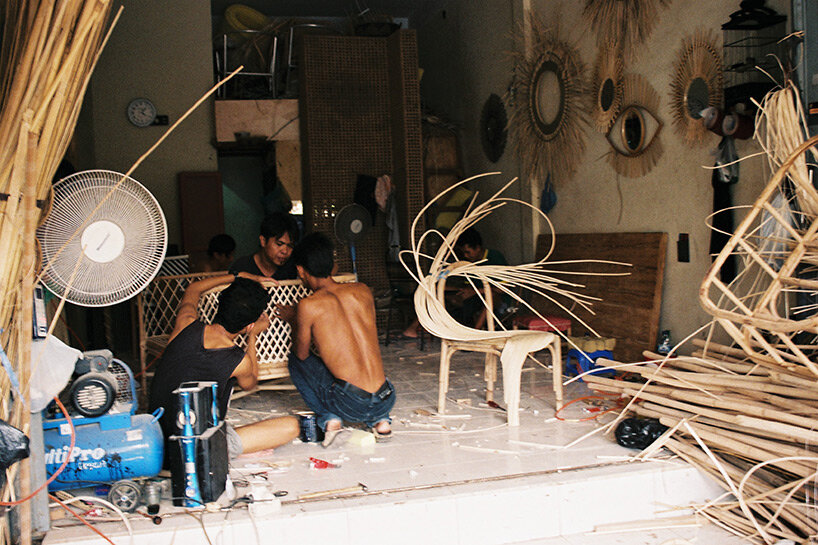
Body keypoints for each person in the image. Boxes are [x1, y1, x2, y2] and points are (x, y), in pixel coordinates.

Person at [148, 272, 299, 463]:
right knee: (292, 426)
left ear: (220, 305)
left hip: (153, 437)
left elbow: (194, 288)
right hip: (194, 451)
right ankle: (226, 451)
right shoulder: (238, 360)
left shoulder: (185, 324)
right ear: (249, 325)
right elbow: (251, 383)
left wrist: (237, 276)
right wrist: (253, 336)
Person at [281, 233, 395, 446]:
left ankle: (329, 419)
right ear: (332, 266)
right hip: (386, 397)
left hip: (351, 403)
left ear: (301, 271)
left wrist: (294, 321)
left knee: (295, 361)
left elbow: (302, 354)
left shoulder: (309, 305)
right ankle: (381, 421)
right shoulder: (362, 290)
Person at [401, 226, 508, 337]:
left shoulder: (495, 257)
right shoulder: (467, 262)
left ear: (478, 248)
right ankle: (413, 328)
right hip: (475, 297)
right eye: (464, 252)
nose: (465, 255)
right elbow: (467, 287)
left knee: (491, 297)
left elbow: (504, 289)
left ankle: (475, 334)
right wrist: (446, 289)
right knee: (438, 295)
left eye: (468, 252)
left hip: (498, 300)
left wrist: (475, 291)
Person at [229, 212, 299, 280]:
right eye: (279, 244)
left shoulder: (293, 269)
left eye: (290, 246)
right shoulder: (242, 267)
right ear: (263, 241)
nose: (285, 251)